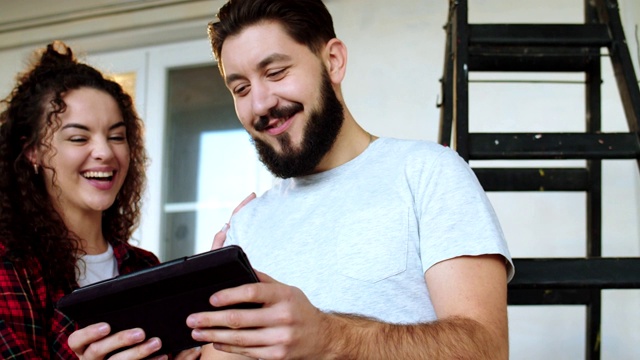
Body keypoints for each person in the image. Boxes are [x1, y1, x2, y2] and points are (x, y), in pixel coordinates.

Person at [185, 0, 515, 359]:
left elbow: (487, 348)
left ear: (333, 61)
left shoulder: (428, 173)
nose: (260, 103)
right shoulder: (244, 227)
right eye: (241, 89)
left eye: (276, 72)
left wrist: (330, 337)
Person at [0, 41, 199, 360]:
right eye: (79, 138)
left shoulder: (145, 266)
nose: (105, 152)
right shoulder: (10, 267)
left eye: (117, 136)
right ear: (31, 152)